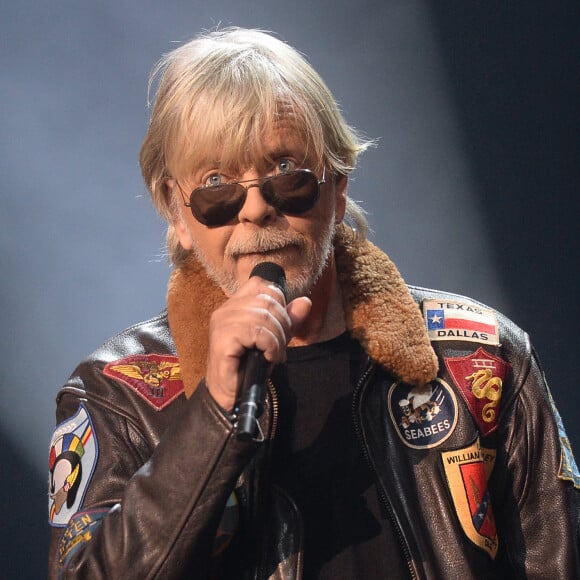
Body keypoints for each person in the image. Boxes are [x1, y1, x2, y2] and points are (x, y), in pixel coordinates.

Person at [47, 27, 580, 579]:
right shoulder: (116, 395)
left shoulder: (487, 357)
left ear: (338, 184)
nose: (254, 209)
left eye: (284, 170)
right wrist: (213, 416)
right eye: (215, 182)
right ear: (177, 212)